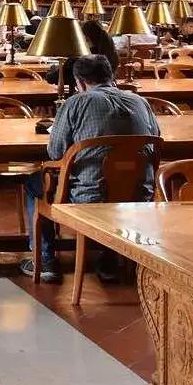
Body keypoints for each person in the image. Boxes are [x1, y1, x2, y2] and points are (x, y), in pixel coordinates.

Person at [21, 54, 160, 283]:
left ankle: (45, 260)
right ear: (110, 75)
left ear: (80, 82)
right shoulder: (140, 102)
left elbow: (55, 153)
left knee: (36, 182)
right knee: (116, 184)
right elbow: (155, 140)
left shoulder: (76, 102)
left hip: (90, 195)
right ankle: (110, 258)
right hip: (137, 193)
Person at [52, 20, 118, 91]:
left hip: (81, 97)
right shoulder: (111, 54)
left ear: (86, 38)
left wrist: (53, 68)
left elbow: (53, 78)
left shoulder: (80, 59)